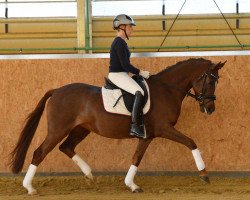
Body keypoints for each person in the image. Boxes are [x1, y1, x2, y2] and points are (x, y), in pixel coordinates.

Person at [108, 14, 150, 139]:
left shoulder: (122, 42)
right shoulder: (119, 43)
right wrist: (140, 72)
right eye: (130, 26)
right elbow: (126, 66)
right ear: (122, 27)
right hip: (117, 75)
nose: (132, 29)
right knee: (139, 92)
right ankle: (135, 126)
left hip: (122, 74)